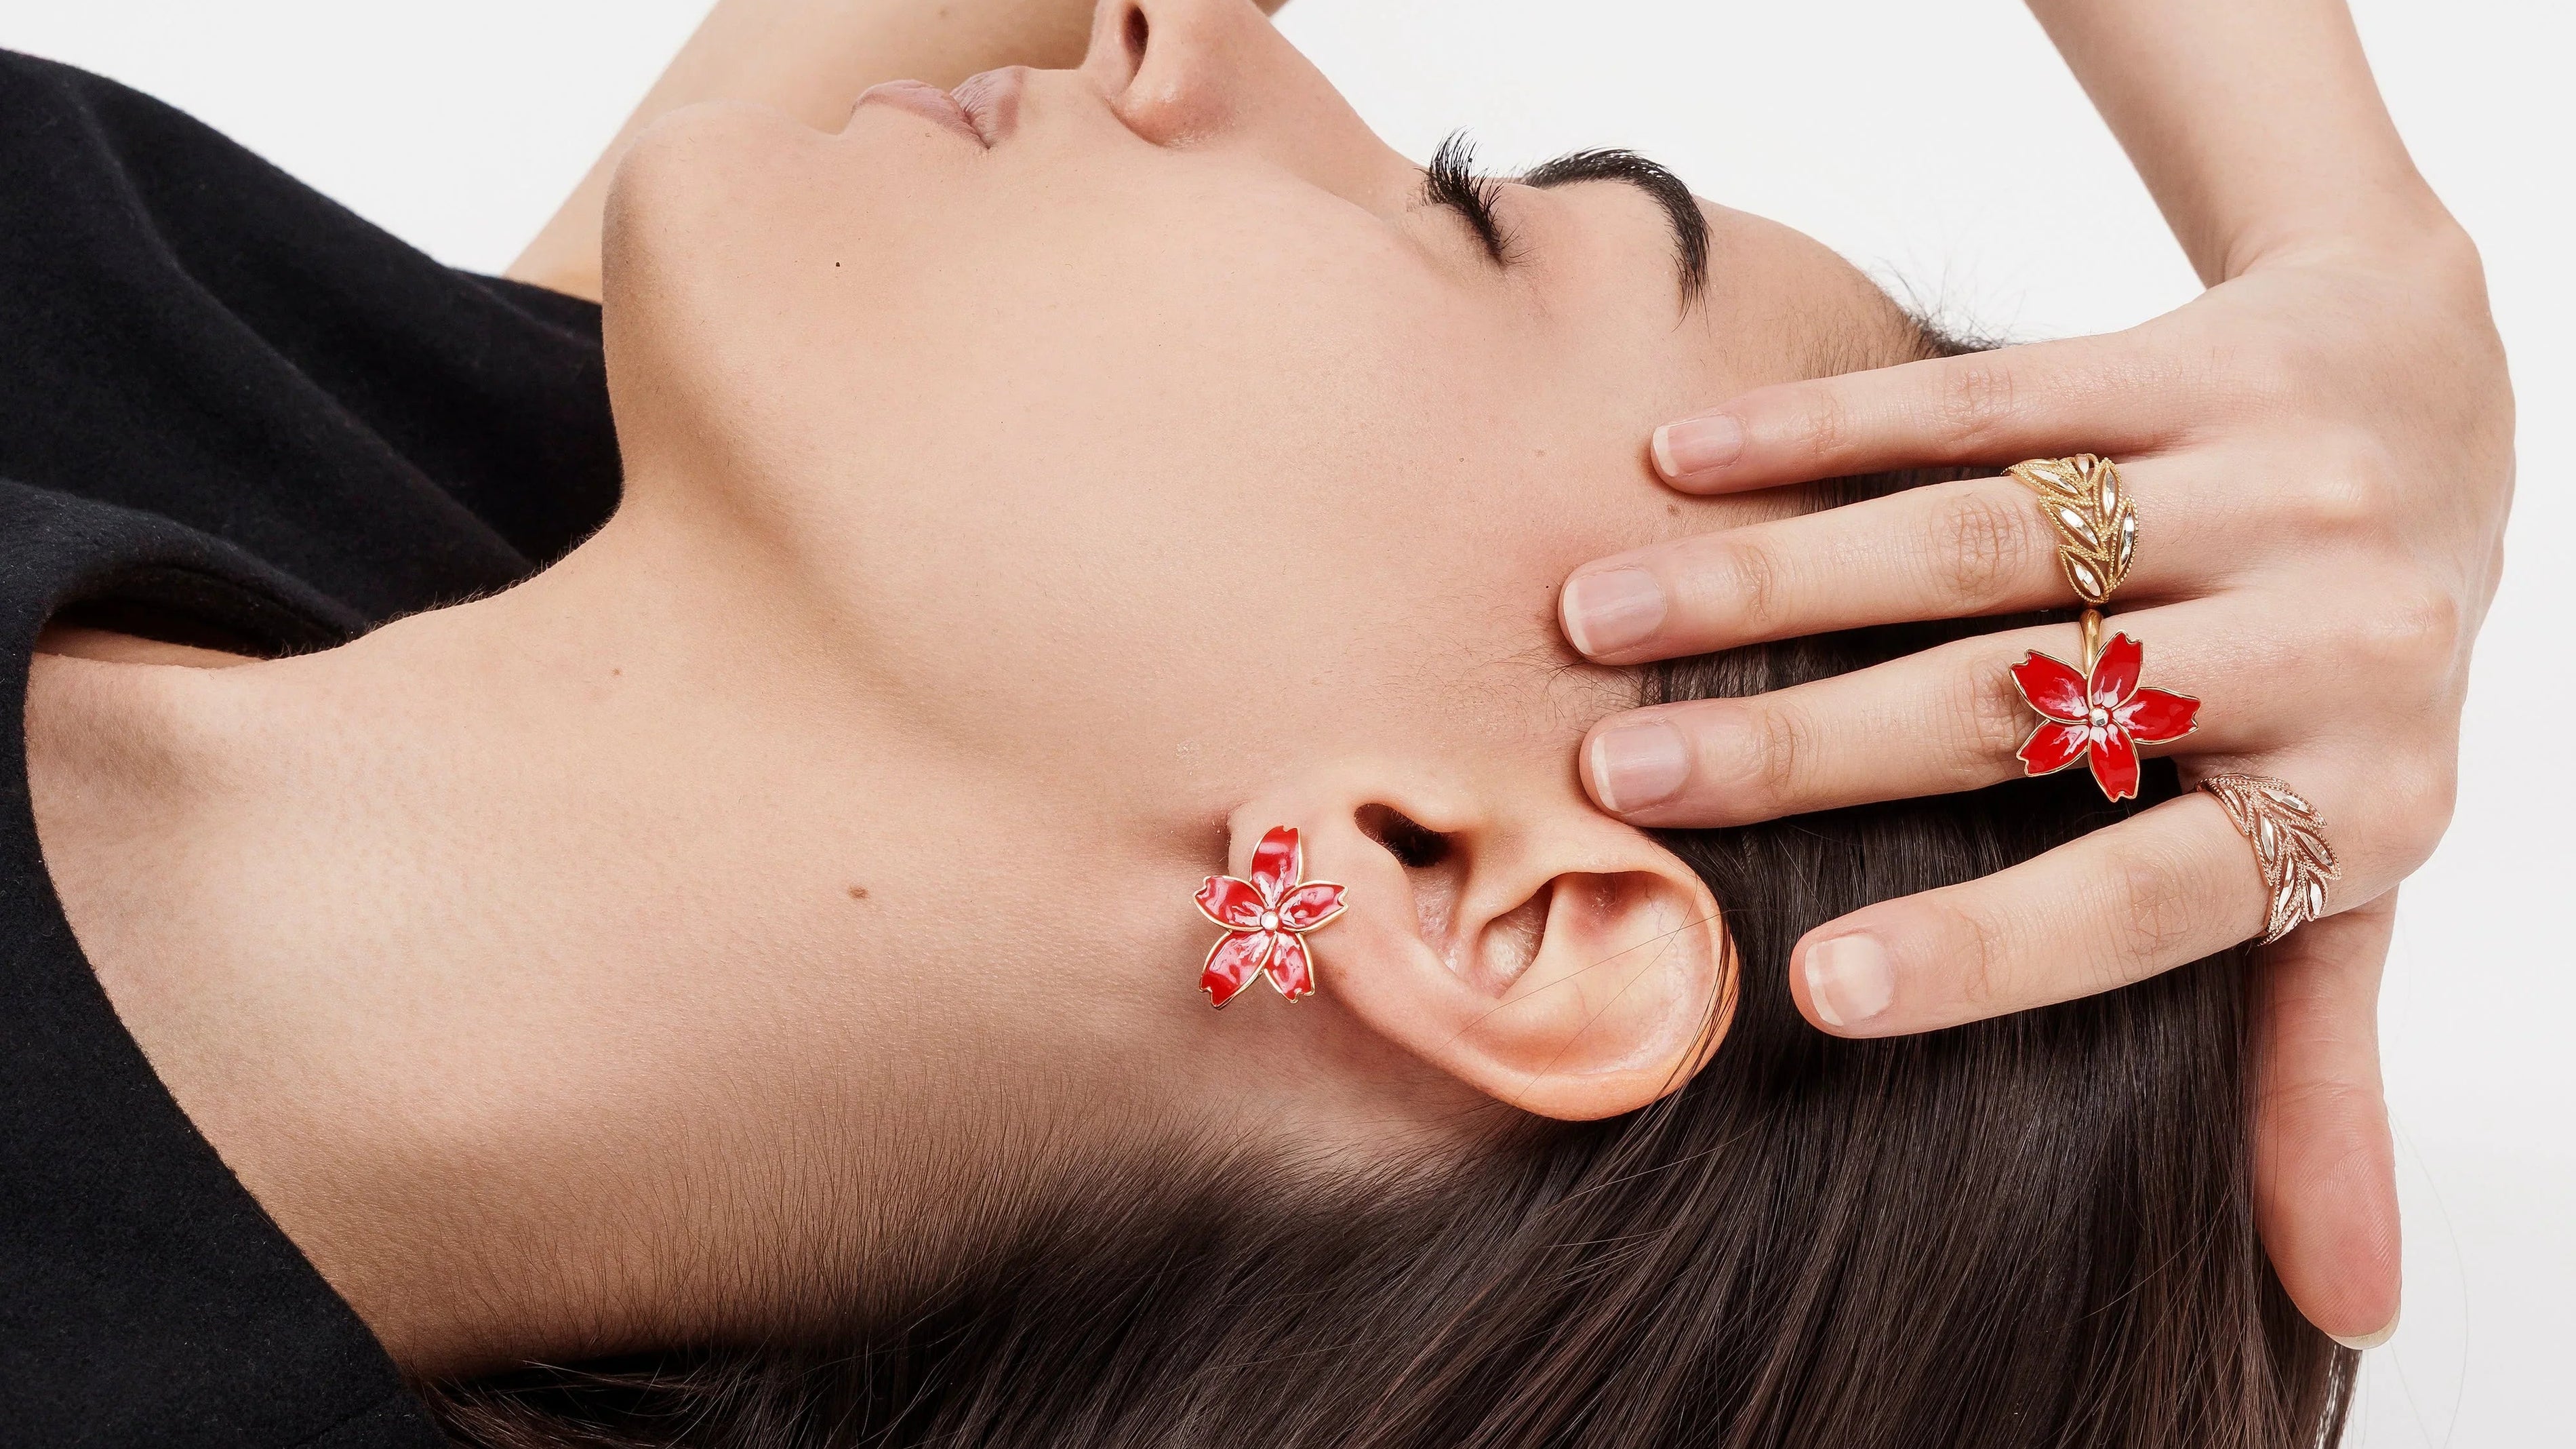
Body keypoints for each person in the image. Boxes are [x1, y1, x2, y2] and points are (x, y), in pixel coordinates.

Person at [0, 1, 2501, 1446]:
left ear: (1470, 902)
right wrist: (2354, 239)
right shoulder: (418, 456)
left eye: (1468, 213)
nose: (1182, 36)